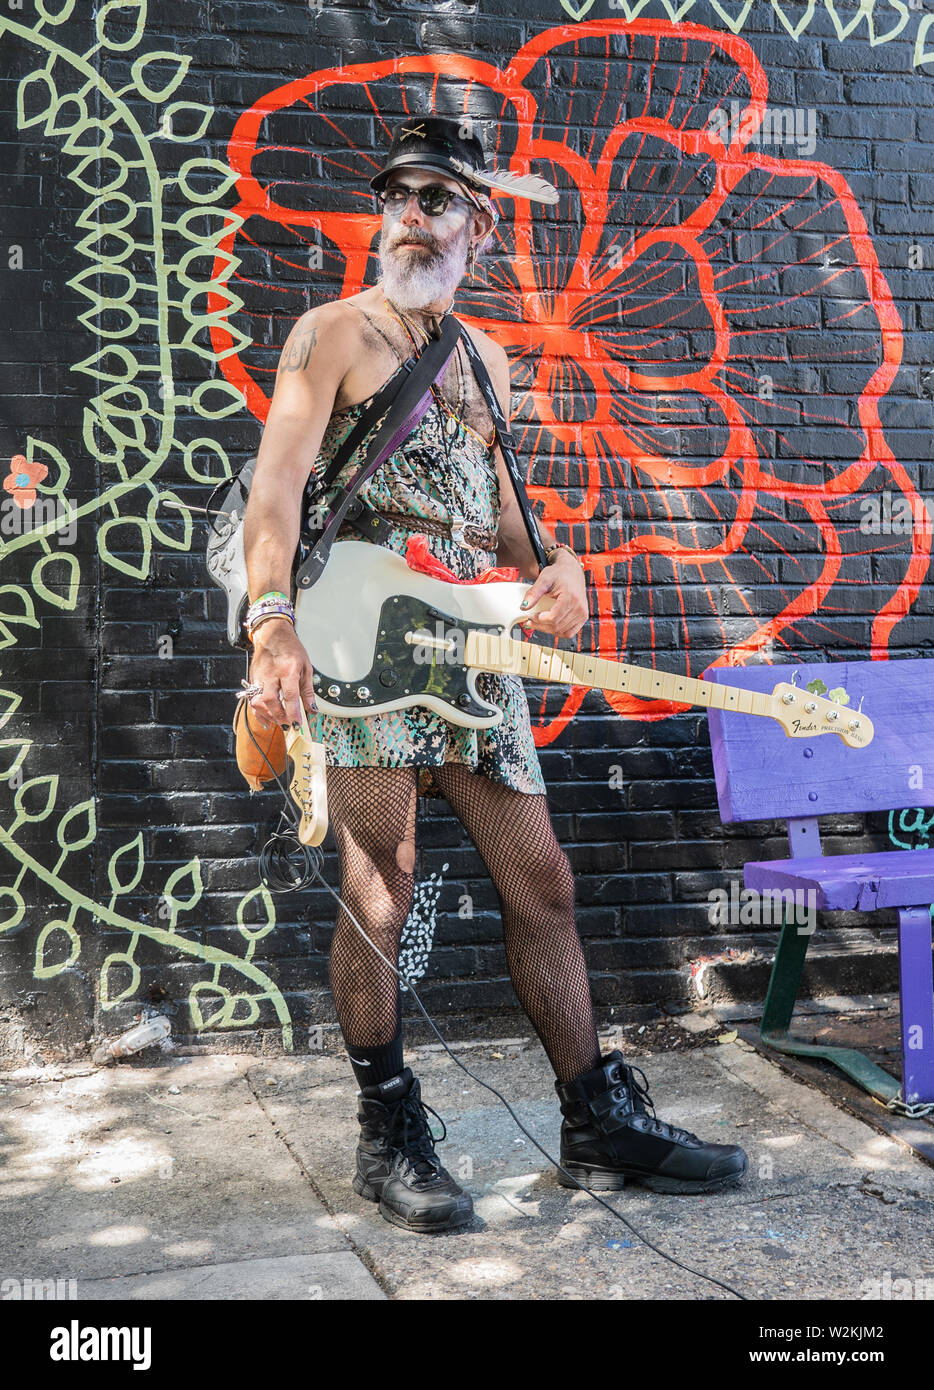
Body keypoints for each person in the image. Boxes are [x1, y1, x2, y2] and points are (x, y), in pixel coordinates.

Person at [241, 115, 747, 1233]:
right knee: (384, 882)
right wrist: (270, 620)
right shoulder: (332, 332)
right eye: (397, 197)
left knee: (545, 881)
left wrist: (556, 565)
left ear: (480, 223)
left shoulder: (484, 361)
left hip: (471, 640)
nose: (410, 216)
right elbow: (276, 486)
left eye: (435, 199)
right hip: (359, 633)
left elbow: (504, 517)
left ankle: (595, 1118)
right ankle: (388, 1128)